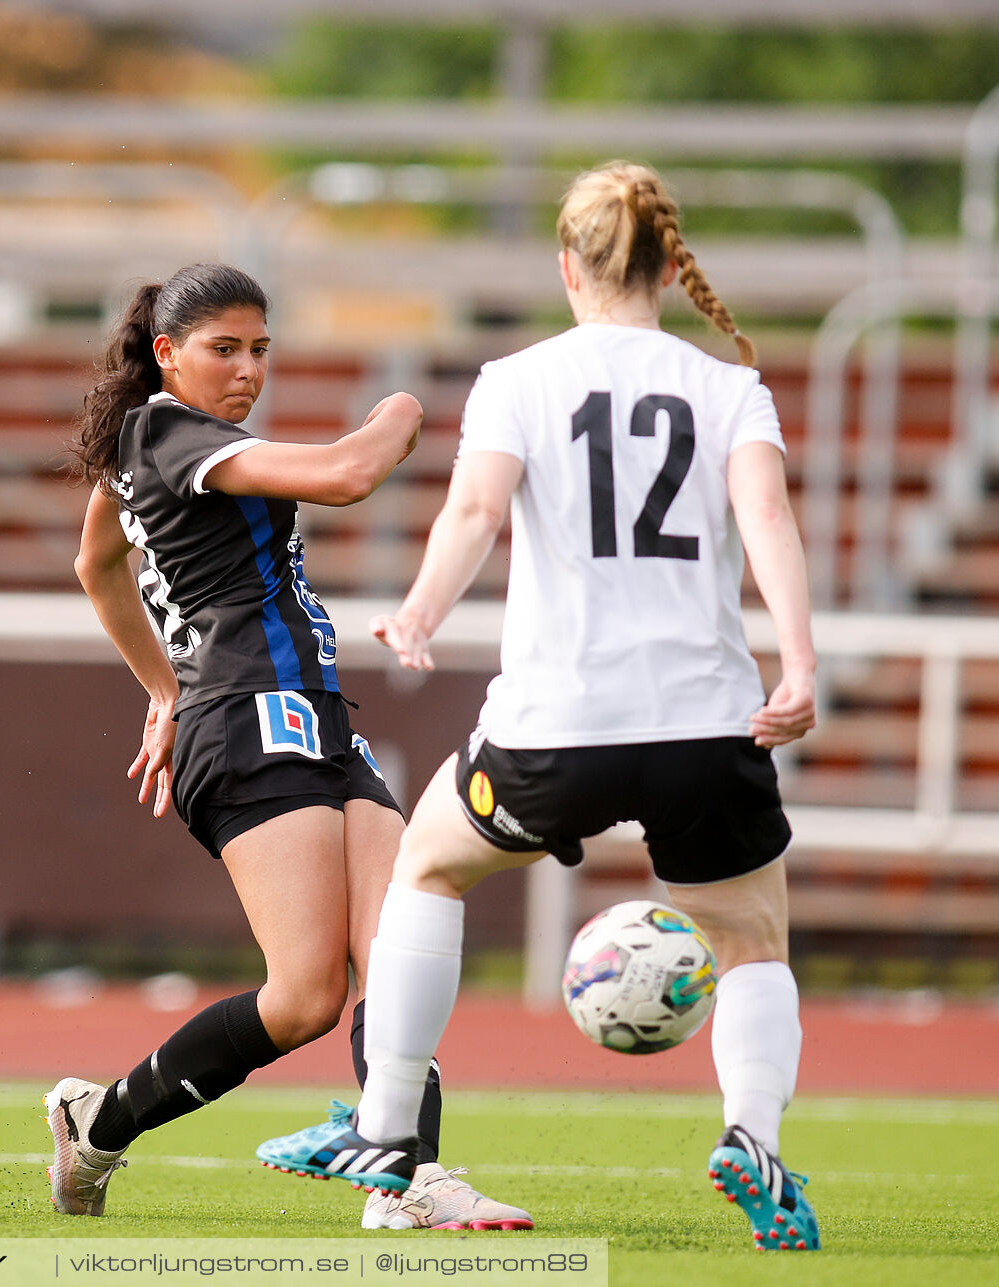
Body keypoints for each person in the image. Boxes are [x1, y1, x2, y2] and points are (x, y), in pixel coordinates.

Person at [284, 161, 821, 1252]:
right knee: (751, 938)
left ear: (565, 267)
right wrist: (798, 665)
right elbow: (765, 520)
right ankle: (749, 1137)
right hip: (703, 725)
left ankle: (386, 1126)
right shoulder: (726, 387)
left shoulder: (516, 378)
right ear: (667, 266)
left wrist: (420, 610)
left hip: (555, 727)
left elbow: (475, 508)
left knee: (427, 870)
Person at [48, 262, 532, 1231]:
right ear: (165, 354)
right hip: (242, 719)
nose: (246, 369)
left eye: (259, 349)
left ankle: (408, 1178)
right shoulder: (160, 429)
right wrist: (404, 402)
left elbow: (94, 563)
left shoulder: (160, 443)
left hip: (309, 712)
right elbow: (351, 472)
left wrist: (158, 688)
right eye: (222, 349)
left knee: (396, 955)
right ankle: (94, 1120)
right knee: (307, 995)